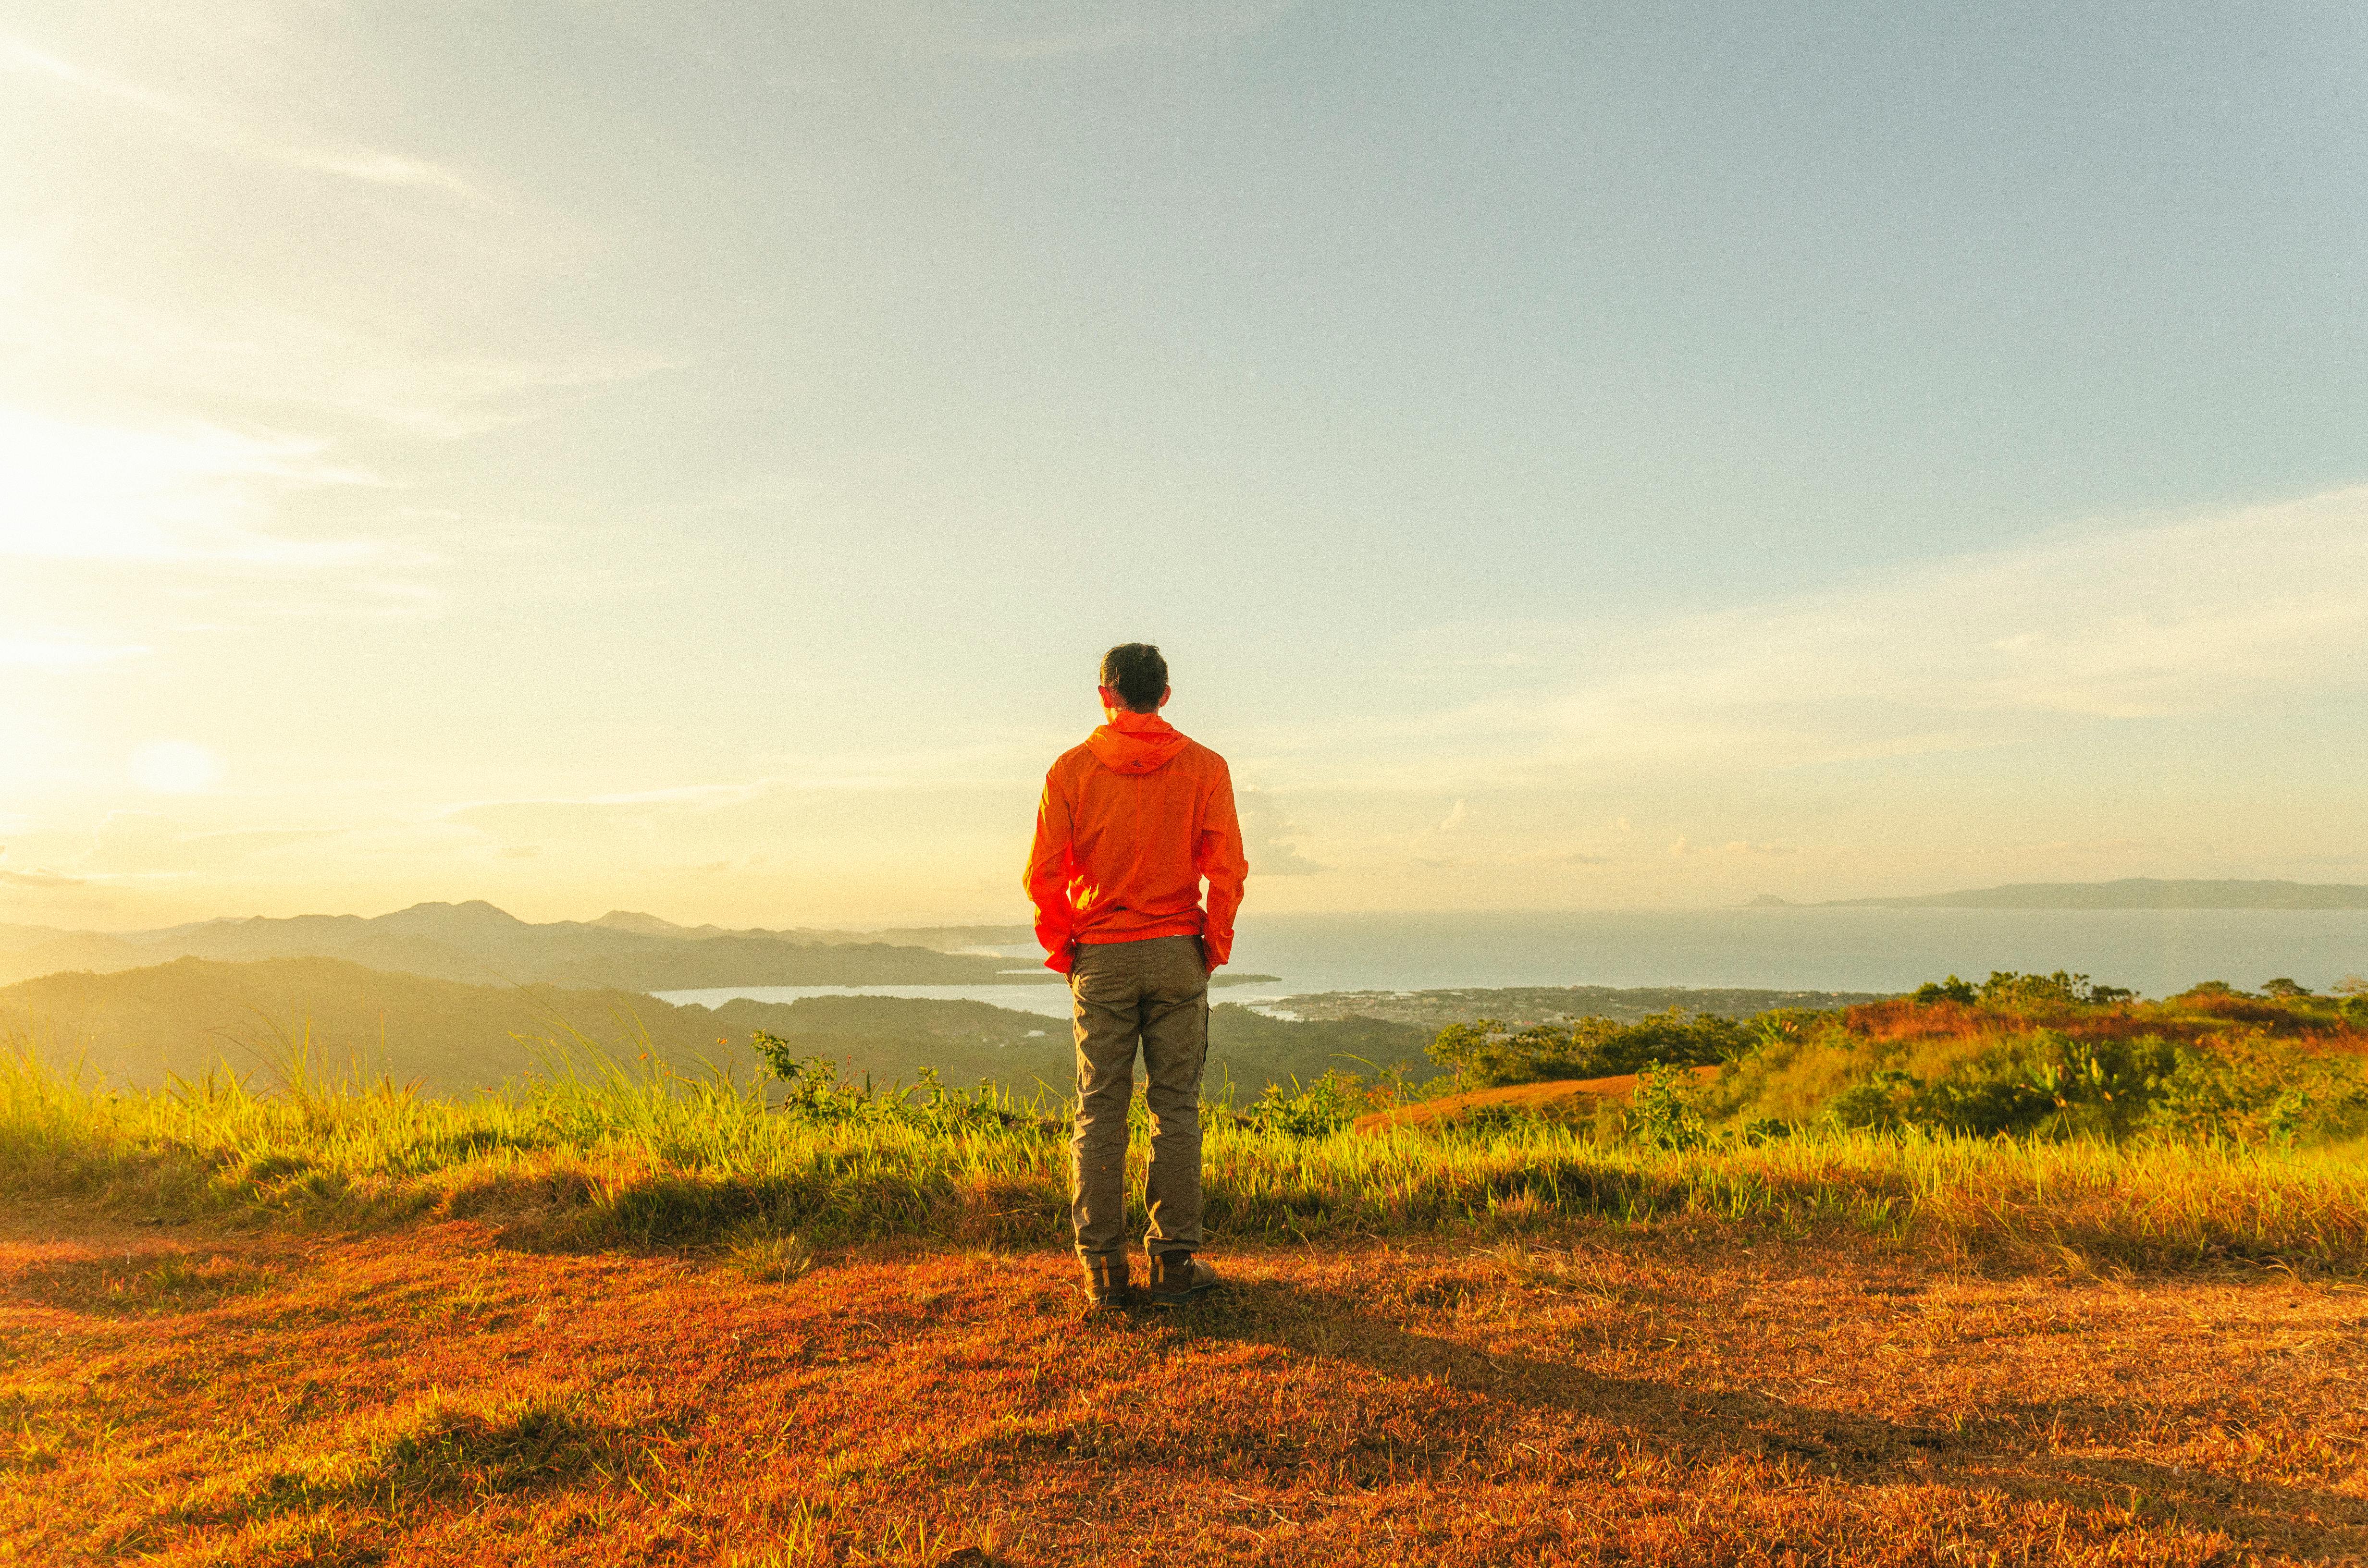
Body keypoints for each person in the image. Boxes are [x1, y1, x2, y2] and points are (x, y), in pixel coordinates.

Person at [1025, 643, 1248, 1310]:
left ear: (1105, 694)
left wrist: (1067, 950)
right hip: (1177, 948)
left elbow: (1043, 876)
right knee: (1174, 1107)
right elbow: (1227, 871)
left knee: (1100, 1110)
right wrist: (1212, 944)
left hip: (1102, 953)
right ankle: (1175, 1267)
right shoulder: (1206, 767)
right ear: (1167, 694)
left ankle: (1103, 1272)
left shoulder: (1070, 771)